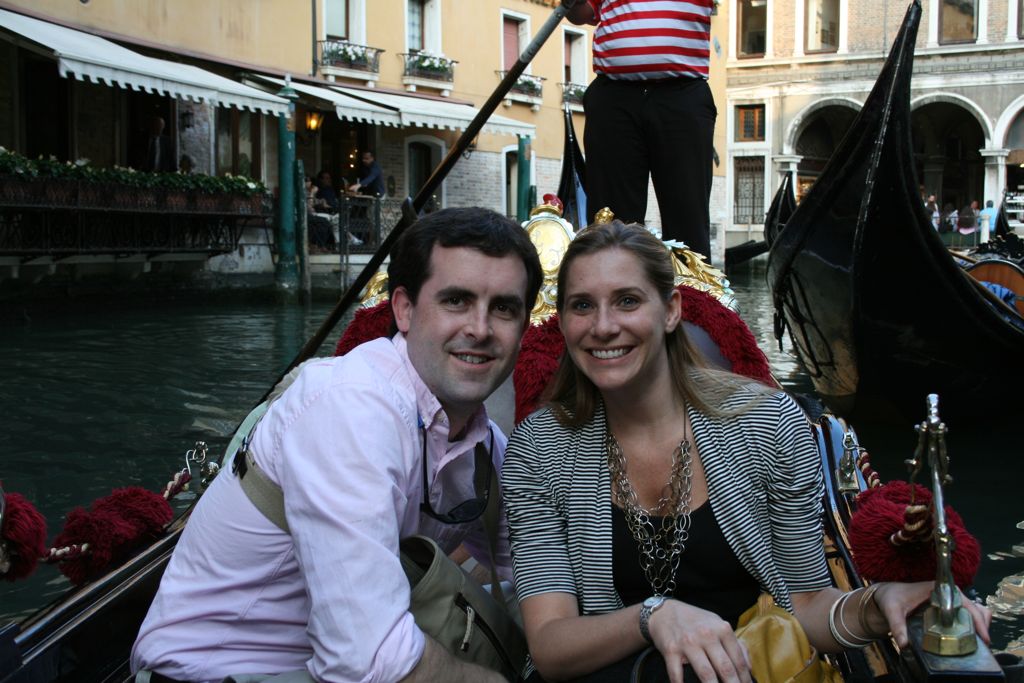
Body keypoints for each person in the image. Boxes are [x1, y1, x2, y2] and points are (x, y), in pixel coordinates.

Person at [501, 220, 991, 683]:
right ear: (562, 320)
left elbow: (806, 603)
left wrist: (875, 604)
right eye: (582, 306)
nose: (603, 326)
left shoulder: (769, 425)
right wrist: (653, 618)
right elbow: (549, 644)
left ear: (670, 310)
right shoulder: (537, 452)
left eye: (627, 301)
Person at [132, 207, 544, 683]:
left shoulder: (482, 444)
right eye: (456, 301)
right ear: (404, 309)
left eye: (504, 308)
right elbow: (370, 661)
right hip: (208, 672)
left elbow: (530, 568)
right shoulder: (352, 408)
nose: (480, 328)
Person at [567, 0, 715, 259]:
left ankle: (695, 297)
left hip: (682, 96)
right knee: (610, 222)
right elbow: (579, 13)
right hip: (614, 97)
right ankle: (611, 292)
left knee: (688, 220)